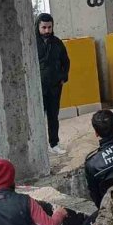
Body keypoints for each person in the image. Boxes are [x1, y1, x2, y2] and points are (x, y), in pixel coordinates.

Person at [35, 13, 70, 155]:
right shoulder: (31, 43)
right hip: (37, 87)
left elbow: (66, 61)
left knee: (53, 116)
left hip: (55, 86)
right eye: (44, 27)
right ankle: (39, 147)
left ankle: (54, 143)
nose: (47, 30)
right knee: (37, 118)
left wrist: (63, 77)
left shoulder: (57, 42)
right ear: (38, 26)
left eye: (49, 27)